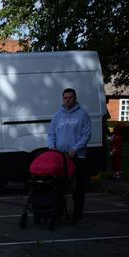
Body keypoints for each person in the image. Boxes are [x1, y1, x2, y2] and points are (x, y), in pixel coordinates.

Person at [47, 88, 92, 222]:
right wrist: (51, 148)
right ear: (62, 99)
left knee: (77, 188)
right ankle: (59, 212)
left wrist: (75, 149)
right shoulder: (57, 115)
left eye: (71, 97)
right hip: (60, 157)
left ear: (75, 98)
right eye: (65, 97)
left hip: (77, 157)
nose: (68, 100)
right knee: (59, 187)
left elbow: (86, 135)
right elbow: (51, 134)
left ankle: (77, 215)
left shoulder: (83, 115)